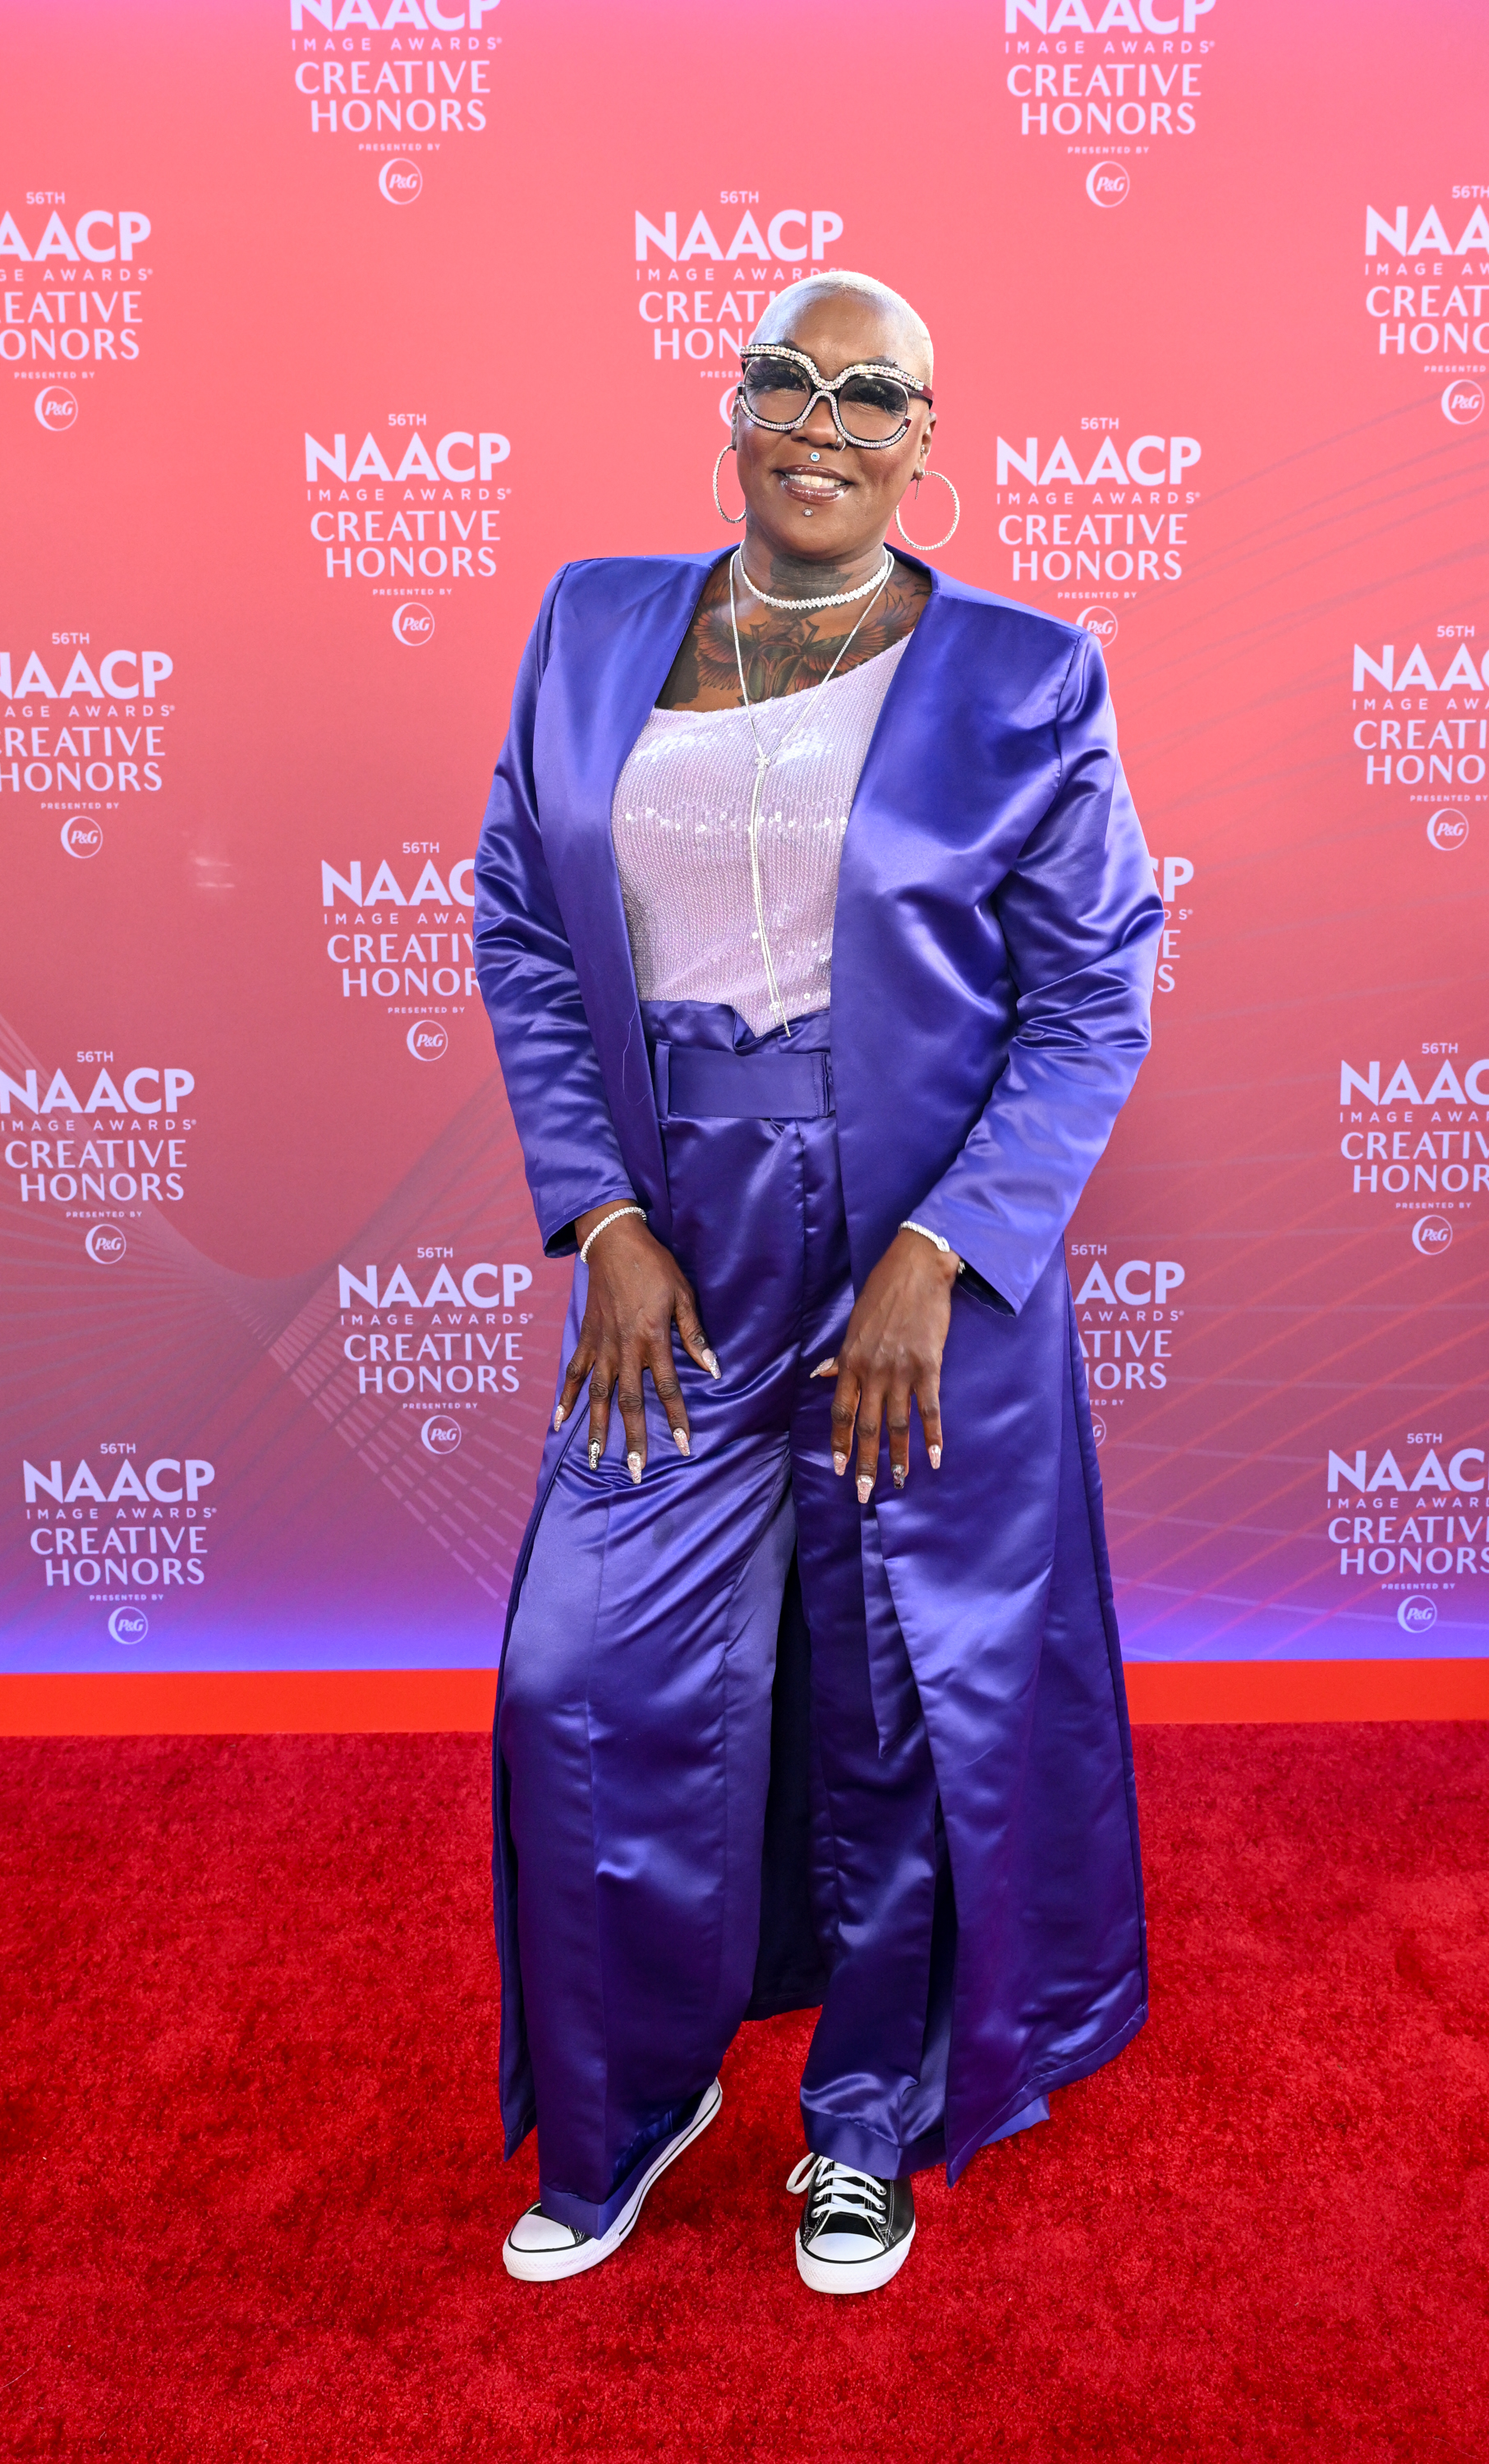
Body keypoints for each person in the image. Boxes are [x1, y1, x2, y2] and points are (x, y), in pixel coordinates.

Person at [475, 271, 1163, 2296]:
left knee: (895, 1700)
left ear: (926, 442)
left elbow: (1095, 990)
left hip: (917, 1257)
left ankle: (862, 2124)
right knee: (577, 1677)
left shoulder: (1027, 674)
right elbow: (525, 917)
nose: (825, 418)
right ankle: (628, 2103)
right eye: (792, 373)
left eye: (877, 394)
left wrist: (946, 1252)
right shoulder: (597, 626)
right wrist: (599, 1219)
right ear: (736, 397)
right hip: (675, 1237)